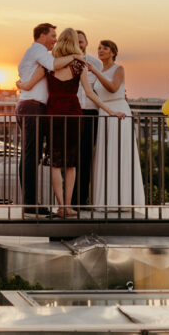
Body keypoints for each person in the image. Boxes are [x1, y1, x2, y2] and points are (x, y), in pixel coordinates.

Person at [19, 28, 115, 218]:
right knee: (71, 164)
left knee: (56, 163)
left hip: (53, 113)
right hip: (73, 113)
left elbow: (29, 84)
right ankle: (68, 207)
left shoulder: (48, 66)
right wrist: (111, 110)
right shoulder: (80, 65)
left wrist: (19, 85)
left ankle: (60, 206)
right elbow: (89, 93)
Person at [14, 23, 79, 219]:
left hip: (31, 107)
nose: (55, 40)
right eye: (53, 36)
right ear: (42, 35)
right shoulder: (39, 51)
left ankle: (30, 201)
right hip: (32, 108)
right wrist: (76, 56)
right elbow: (52, 65)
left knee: (30, 155)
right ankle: (31, 204)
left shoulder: (35, 52)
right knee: (30, 155)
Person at [88, 39, 144, 212]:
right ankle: (107, 200)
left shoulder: (118, 69)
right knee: (106, 155)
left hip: (118, 111)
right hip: (104, 112)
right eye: (99, 48)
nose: (100, 50)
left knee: (120, 153)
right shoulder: (100, 69)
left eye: (105, 48)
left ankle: (124, 199)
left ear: (113, 52)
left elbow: (113, 87)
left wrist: (96, 72)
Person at [72, 30, 102, 211]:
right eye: (75, 41)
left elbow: (104, 85)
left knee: (86, 157)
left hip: (91, 113)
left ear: (87, 42)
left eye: (81, 41)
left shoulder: (96, 63)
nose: (79, 44)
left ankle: (81, 200)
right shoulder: (64, 62)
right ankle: (67, 201)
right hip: (72, 113)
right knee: (70, 158)